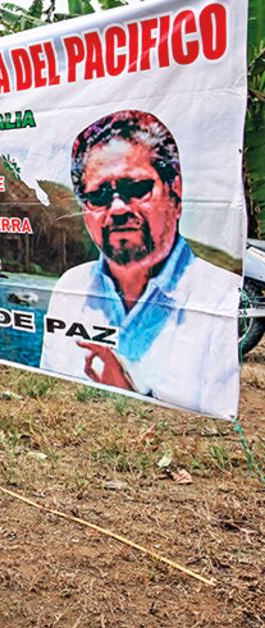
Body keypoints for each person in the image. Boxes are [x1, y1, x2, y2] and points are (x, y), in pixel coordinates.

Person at [40, 110, 239, 417]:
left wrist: (130, 394)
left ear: (175, 190)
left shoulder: (218, 295)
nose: (118, 208)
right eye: (99, 195)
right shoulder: (71, 288)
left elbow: (216, 426)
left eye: (136, 189)